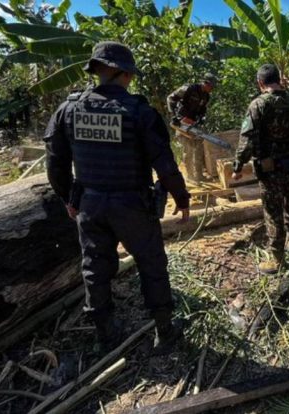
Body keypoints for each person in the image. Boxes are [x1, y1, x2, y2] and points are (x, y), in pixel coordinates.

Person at [44, 41, 191, 353]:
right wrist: (182, 197)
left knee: (95, 268)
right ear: (125, 74)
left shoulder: (69, 110)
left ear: (97, 70)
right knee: (151, 264)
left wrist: (69, 198)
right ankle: (165, 332)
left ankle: (105, 335)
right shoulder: (139, 112)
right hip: (133, 205)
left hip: (90, 204)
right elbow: (164, 165)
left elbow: (55, 163)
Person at [231, 64, 289, 274]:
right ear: (278, 80)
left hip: (270, 171)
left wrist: (238, 166)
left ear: (261, 83)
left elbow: (247, 140)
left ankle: (277, 259)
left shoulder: (258, 105)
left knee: (272, 211)